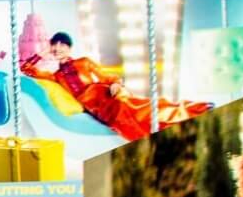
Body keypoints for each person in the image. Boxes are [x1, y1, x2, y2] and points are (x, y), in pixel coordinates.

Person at [19, 29, 209, 141]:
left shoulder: (84, 62)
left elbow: (107, 76)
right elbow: (25, 68)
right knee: (128, 117)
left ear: (70, 48)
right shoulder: (55, 76)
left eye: (63, 45)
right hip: (94, 107)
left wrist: (117, 84)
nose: (58, 48)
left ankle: (192, 110)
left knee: (137, 107)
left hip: (107, 94)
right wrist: (42, 52)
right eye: (55, 45)